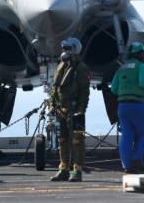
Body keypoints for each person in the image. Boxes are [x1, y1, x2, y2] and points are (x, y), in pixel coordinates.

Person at [49, 37, 90, 182]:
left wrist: (81, 110)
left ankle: (77, 170)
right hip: (61, 109)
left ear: (74, 50)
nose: (64, 51)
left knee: (77, 141)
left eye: (67, 49)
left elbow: (85, 92)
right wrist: (52, 104)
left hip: (75, 110)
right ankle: (63, 169)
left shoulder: (81, 68)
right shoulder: (61, 66)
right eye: (63, 49)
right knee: (62, 140)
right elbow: (55, 87)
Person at [110, 42, 144, 174]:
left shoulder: (121, 68)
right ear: (140, 54)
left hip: (122, 106)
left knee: (127, 135)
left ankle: (127, 165)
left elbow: (114, 89)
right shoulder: (141, 67)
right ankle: (137, 159)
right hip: (138, 104)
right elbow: (143, 82)